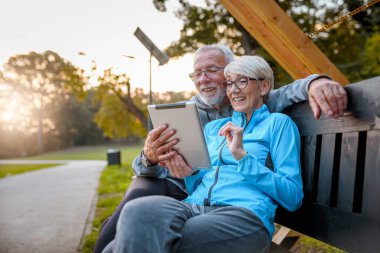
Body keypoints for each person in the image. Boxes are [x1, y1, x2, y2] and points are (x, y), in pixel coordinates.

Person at [93, 44, 347, 253]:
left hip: (242, 213)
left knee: (121, 247)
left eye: (241, 82)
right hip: (194, 206)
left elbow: (292, 198)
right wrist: (187, 173)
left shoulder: (277, 123)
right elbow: (203, 180)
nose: (233, 90)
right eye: (230, 83)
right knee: (138, 210)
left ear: (264, 87)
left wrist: (242, 157)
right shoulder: (215, 128)